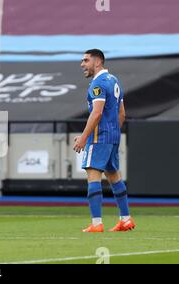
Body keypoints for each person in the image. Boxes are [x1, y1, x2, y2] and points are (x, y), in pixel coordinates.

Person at [74, 49, 135, 233]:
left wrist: (84, 137)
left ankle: (96, 223)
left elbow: (97, 112)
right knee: (114, 176)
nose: (82, 64)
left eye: (86, 60)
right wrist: (113, 132)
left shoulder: (98, 84)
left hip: (99, 138)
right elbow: (121, 113)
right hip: (113, 137)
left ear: (97, 61)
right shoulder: (114, 80)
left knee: (93, 175)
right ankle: (125, 220)